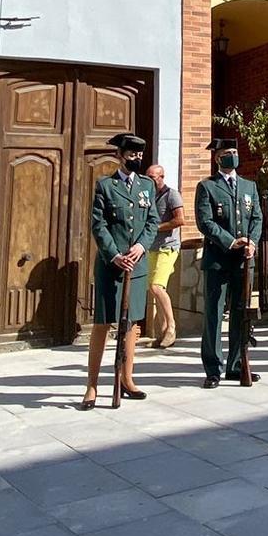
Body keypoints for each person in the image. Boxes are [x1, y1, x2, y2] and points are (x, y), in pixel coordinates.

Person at [86, 133, 155, 408]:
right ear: (119, 155)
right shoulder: (105, 185)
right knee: (103, 324)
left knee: (130, 325)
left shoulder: (147, 186)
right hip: (111, 266)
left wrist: (140, 247)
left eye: (139, 155)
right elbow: (98, 225)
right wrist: (114, 255)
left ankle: (127, 379)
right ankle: (92, 385)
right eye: (131, 155)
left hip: (136, 266)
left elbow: (152, 221)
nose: (136, 159)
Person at [194, 135, 263, 388]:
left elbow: (256, 217)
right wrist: (230, 241)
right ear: (217, 158)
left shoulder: (249, 186)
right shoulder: (207, 186)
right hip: (219, 259)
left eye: (235, 151)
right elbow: (205, 222)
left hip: (244, 260)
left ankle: (237, 364)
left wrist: (252, 242)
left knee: (240, 313)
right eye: (227, 152)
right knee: (214, 313)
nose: (232, 156)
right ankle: (213, 369)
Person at [145, 163, 183, 349]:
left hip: (168, 247)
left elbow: (180, 220)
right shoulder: (149, 195)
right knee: (153, 290)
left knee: (156, 286)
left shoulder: (171, 195)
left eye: (152, 177)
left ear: (161, 177)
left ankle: (171, 328)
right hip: (152, 247)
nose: (149, 180)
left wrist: (156, 228)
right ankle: (161, 333)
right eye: (148, 176)